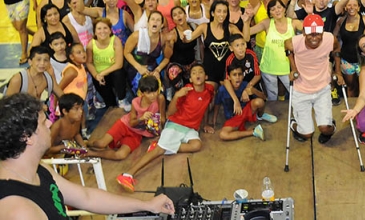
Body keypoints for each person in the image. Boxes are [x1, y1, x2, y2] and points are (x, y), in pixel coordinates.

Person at [0, 93, 174, 217]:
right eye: (42, 121)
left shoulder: (39, 171)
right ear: (27, 137)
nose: (49, 123)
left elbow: (86, 197)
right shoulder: (19, 209)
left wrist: (147, 205)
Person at [117, 64, 215, 192]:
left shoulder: (209, 89)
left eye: (200, 72)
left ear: (206, 76)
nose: (197, 74)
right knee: (158, 152)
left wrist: (205, 124)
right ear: (190, 79)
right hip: (176, 124)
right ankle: (127, 175)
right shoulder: (185, 91)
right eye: (194, 73)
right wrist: (177, 96)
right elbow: (170, 113)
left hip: (190, 128)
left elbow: (205, 106)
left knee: (197, 145)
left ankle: (162, 146)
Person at [285, 14, 343, 144]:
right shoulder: (294, 42)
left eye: (317, 34)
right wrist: (293, 68)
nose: (314, 38)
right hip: (301, 90)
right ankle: (294, 123)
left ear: (322, 32)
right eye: (310, 34)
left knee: (326, 129)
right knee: (306, 134)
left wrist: (337, 71)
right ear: (304, 32)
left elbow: (337, 50)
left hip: (322, 89)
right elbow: (287, 48)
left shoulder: (330, 39)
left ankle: (328, 124)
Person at [88, 76, 166, 160]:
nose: (153, 95)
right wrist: (141, 118)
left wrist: (161, 133)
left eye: (155, 91)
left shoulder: (160, 98)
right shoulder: (135, 102)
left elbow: (163, 118)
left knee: (120, 155)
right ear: (142, 93)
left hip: (137, 134)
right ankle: (87, 144)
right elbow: (131, 123)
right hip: (125, 125)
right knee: (101, 144)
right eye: (149, 93)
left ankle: (91, 153)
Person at [213, 60, 277, 141]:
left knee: (259, 102)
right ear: (228, 77)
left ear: (243, 76)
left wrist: (253, 90)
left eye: (240, 74)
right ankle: (253, 131)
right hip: (233, 117)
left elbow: (264, 98)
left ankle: (260, 116)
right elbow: (217, 103)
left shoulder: (245, 84)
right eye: (234, 75)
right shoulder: (222, 89)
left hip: (246, 111)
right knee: (223, 135)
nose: (237, 77)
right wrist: (214, 119)